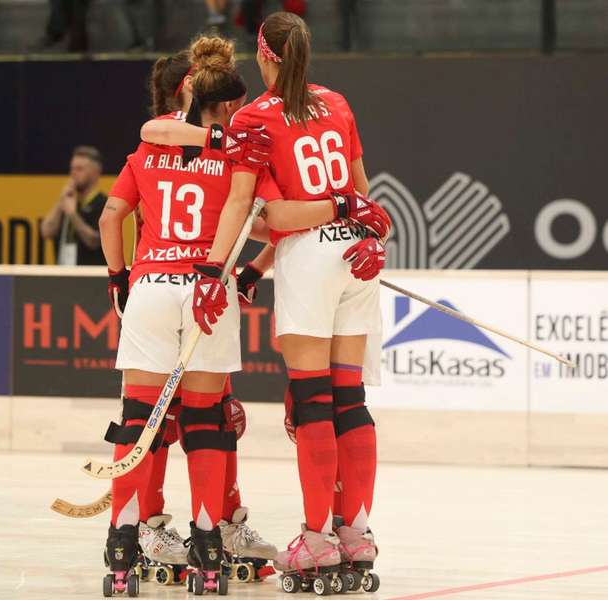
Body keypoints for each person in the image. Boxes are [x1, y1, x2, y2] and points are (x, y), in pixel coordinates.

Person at [136, 11, 392, 593]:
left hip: (309, 259)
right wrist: (369, 232)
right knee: (350, 399)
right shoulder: (338, 102)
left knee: (315, 403)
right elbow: (361, 191)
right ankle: (358, 530)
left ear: (264, 55)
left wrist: (211, 268)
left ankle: (318, 537)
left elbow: (263, 214)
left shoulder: (256, 116)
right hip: (357, 258)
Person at [97, 35, 281, 595]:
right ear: (224, 104)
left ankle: (124, 539)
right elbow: (275, 221)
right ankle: (208, 538)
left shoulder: (149, 146)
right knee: (208, 421)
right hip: (207, 288)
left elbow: (111, 217)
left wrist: (118, 278)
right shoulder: (239, 151)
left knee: (138, 420)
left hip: (151, 285)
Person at [40, 146, 107, 266]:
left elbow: (93, 241)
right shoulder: (68, 201)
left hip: (91, 275)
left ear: (95, 172)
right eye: (72, 169)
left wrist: (72, 214)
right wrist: (60, 202)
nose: (73, 173)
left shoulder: (103, 203)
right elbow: (46, 231)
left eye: (79, 169)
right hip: (64, 273)